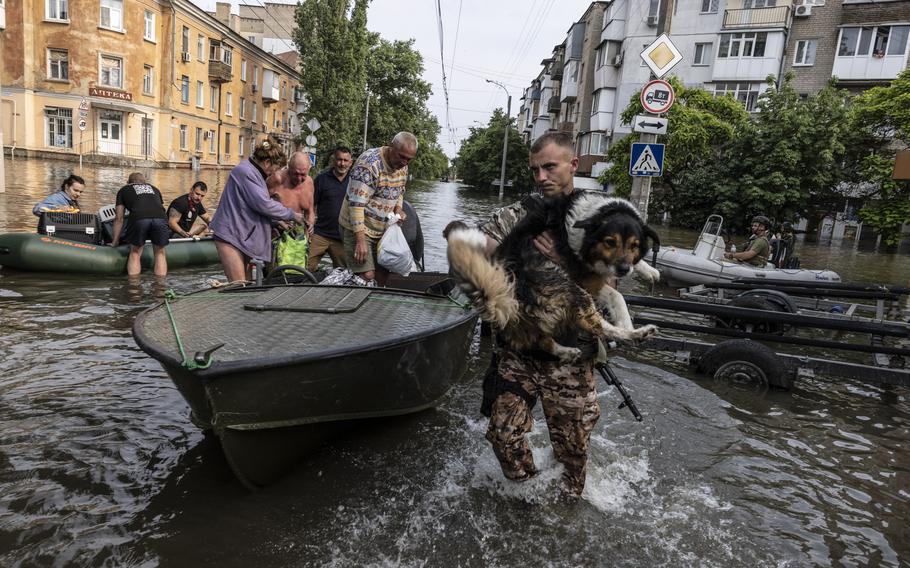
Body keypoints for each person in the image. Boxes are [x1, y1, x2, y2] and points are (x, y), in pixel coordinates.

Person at [455, 131, 601, 496]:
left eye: (549, 167)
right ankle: (529, 495)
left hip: (570, 356)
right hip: (519, 351)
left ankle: (566, 507)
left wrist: (561, 259)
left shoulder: (597, 218)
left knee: (572, 453)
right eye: (535, 169)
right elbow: (482, 243)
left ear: (573, 164)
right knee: (503, 436)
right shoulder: (520, 212)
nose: (541, 177)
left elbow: (610, 280)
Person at [209, 136, 304, 282]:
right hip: (229, 235)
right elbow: (263, 204)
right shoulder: (245, 172)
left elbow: (249, 206)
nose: (274, 174)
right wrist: (291, 214)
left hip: (242, 235)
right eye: (274, 169)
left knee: (247, 285)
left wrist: (276, 221)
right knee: (239, 285)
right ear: (267, 162)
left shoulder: (253, 172)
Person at [338, 132, 417, 285]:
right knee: (367, 275)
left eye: (409, 159)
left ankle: (372, 306)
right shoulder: (369, 164)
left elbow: (399, 192)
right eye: (402, 157)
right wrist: (360, 241)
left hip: (382, 229)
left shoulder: (403, 167)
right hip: (358, 227)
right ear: (391, 146)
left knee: (383, 272)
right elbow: (356, 205)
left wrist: (398, 209)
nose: (405, 162)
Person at [111, 172, 169, 277]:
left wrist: (115, 242)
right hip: (161, 218)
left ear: (128, 182)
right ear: (145, 182)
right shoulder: (155, 189)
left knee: (135, 252)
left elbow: (119, 218)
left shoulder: (124, 190)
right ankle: (160, 287)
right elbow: (157, 206)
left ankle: (134, 287)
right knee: (160, 252)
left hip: (139, 218)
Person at [308, 146, 353, 271]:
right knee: (305, 266)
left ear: (351, 162)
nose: (342, 164)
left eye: (345, 160)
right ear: (333, 160)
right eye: (339, 160)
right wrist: (309, 226)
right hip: (320, 234)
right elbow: (311, 204)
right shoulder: (322, 179)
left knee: (344, 273)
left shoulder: (355, 181)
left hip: (343, 237)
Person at [267, 151, 315, 232]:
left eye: (303, 175)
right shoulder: (277, 179)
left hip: (298, 238)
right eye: (295, 174)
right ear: (289, 168)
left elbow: (310, 211)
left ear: (308, 170)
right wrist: (276, 222)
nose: (299, 179)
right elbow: (259, 205)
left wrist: (310, 224)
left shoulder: (309, 182)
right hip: (275, 236)